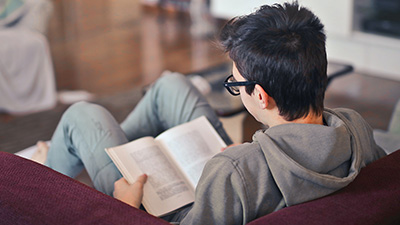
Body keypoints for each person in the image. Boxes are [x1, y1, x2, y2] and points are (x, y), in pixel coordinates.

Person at [35, 2, 386, 224]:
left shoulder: (232, 170)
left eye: (235, 83)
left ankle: (47, 174)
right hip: (245, 173)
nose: (232, 85)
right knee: (171, 86)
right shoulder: (355, 128)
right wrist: (247, 157)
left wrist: (125, 210)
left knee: (84, 115)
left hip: (180, 203)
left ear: (260, 96)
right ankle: (112, 148)